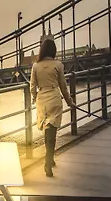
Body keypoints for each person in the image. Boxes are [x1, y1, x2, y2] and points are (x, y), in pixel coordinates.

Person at [30, 39, 76, 177]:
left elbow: (32, 86)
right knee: (52, 130)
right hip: (54, 98)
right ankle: (49, 160)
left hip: (42, 99)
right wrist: (70, 102)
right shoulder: (58, 65)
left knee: (46, 129)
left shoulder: (35, 66)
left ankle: (49, 159)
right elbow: (63, 86)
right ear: (53, 51)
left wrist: (35, 98)